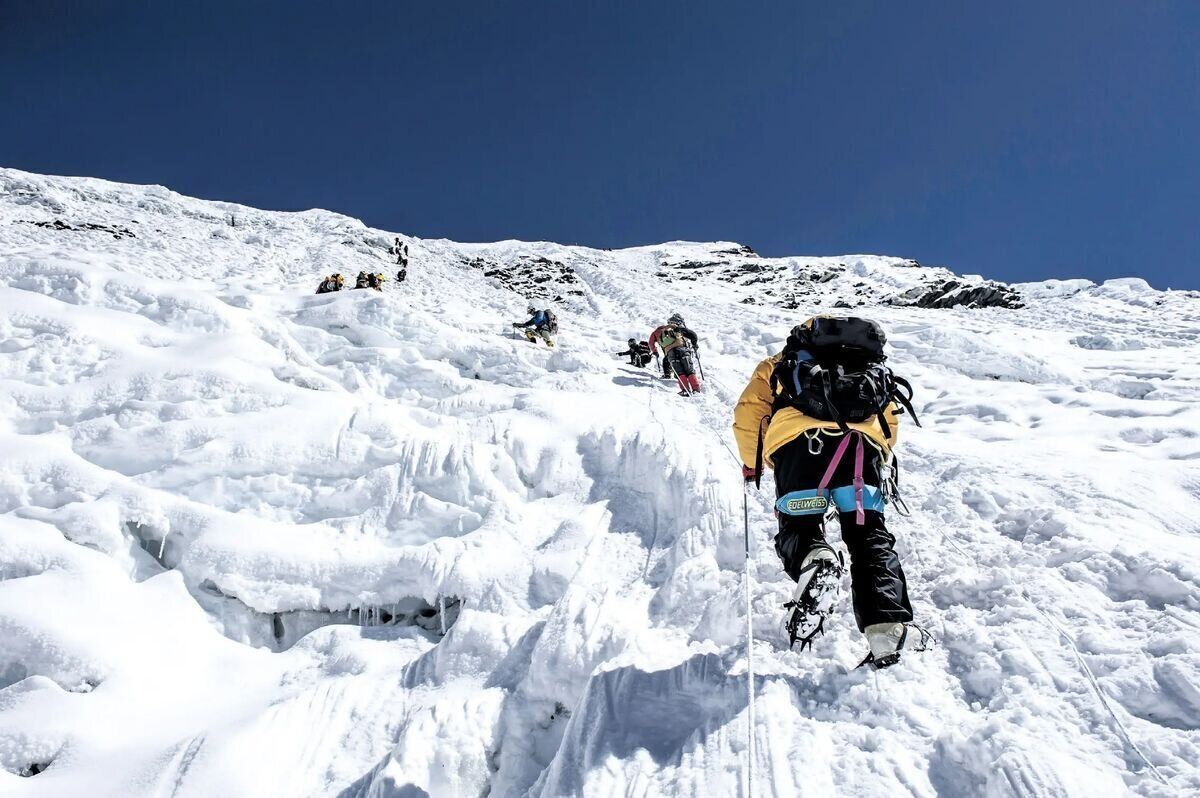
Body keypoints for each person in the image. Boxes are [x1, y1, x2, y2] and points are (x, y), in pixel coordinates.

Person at [732, 315, 927, 668]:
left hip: (798, 447)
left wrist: (754, 463)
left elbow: (749, 413)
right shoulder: (869, 365)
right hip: (860, 452)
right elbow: (889, 421)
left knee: (800, 525)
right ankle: (888, 630)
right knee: (869, 536)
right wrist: (876, 453)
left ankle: (814, 559)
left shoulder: (781, 363)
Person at [649, 313, 701, 395]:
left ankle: (685, 390)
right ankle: (696, 389)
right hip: (683, 350)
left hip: (670, 353)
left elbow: (651, 343)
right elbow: (693, 335)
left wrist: (655, 351)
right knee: (689, 370)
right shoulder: (676, 328)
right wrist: (694, 344)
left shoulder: (658, 332)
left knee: (680, 372)